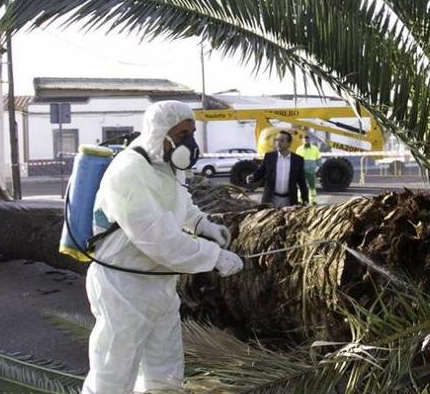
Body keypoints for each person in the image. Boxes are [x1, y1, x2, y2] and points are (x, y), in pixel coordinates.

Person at [82, 100, 244, 394]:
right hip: (123, 285)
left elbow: (177, 203)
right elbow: (159, 239)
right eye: (183, 136)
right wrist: (214, 256)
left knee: (165, 368)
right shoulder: (129, 172)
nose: (190, 143)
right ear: (160, 132)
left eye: (192, 134)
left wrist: (202, 225)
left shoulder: (166, 165)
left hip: (158, 285)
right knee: (114, 370)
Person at [246, 130, 309, 208]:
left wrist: (305, 200)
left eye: (281, 141)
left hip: (289, 201)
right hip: (271, 200)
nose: (278, 143)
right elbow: (261, 171)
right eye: (276, 140)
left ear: (289, 144)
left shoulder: (298, 160)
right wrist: (252, 176)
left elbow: (302, 182)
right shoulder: (269, 157)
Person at [295, 135, 322, 205]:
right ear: (303, 141)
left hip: (311, 170)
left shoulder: (315, 149)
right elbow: (296, 160)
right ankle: (300, 200)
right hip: (301, 171)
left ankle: (312, 200)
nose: (306, 141)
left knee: (312, 186)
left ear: (309, 140)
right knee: (300, 185)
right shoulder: (299, 149)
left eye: (307, 139)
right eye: (305, 140)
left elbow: (319, 159)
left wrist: (317, 168)